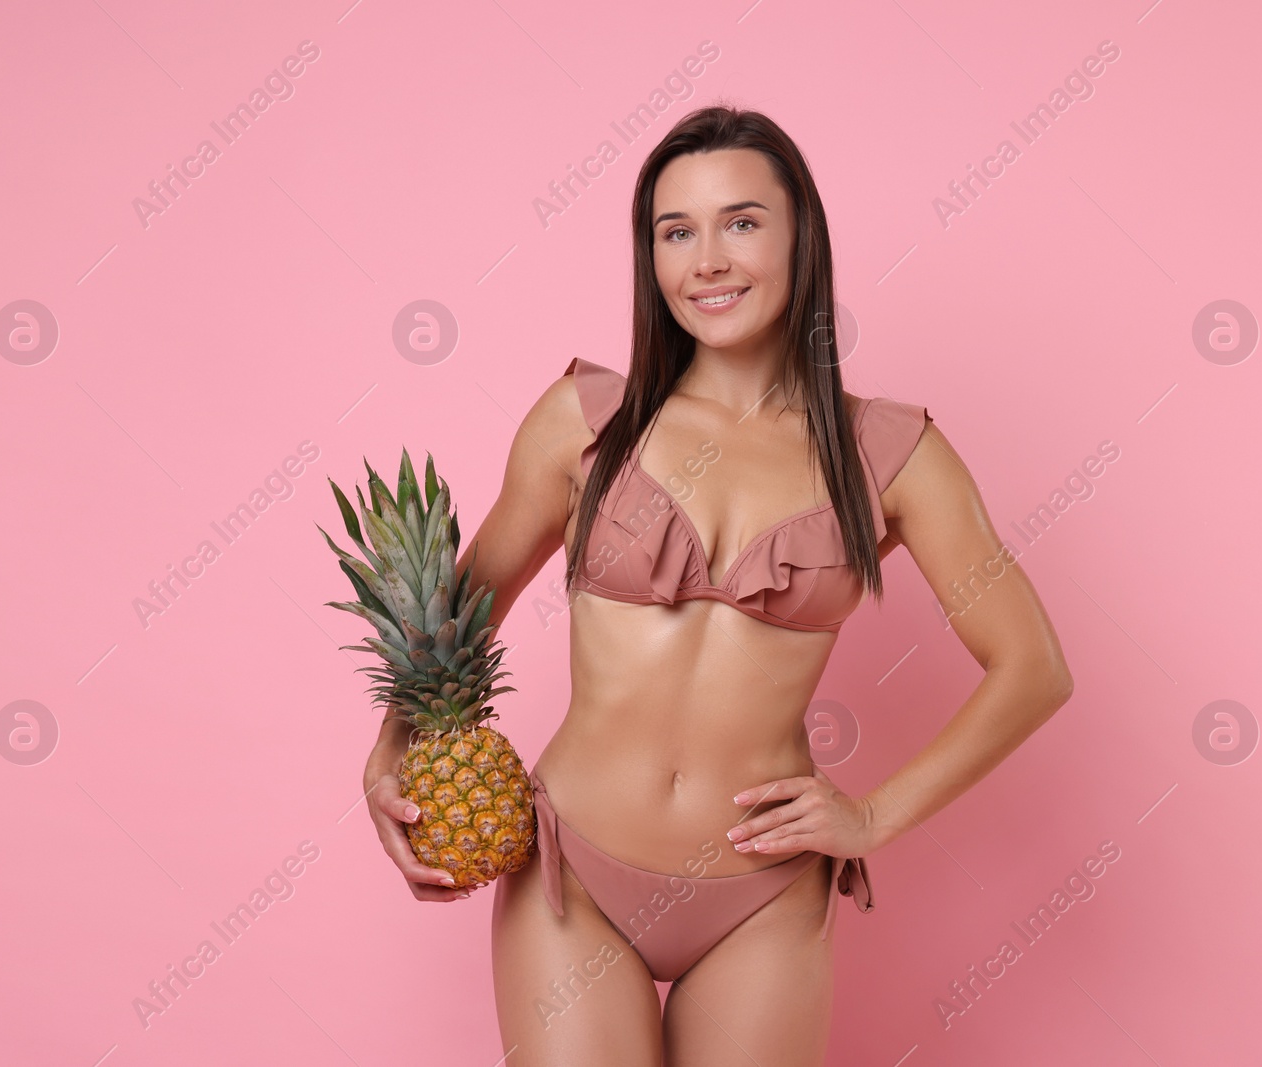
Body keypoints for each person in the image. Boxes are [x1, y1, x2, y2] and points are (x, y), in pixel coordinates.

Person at [362, 104, 1073, 1066]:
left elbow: (1032, 666)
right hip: (574, 874)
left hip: (762, 891)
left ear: (801, 237)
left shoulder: (893, 456)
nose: (708, 260)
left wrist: (872, 815)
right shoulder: (581, 424)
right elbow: (451, 618)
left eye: (741, 222)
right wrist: (388, 755)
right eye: (675, 231)